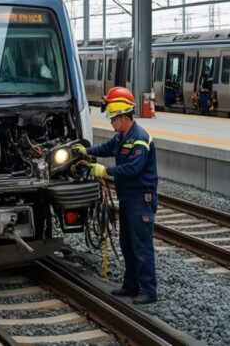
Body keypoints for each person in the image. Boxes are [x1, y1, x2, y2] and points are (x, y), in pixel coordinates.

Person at [74, 86, 159, 305]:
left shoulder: (140, 139)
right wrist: (87, 152)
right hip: (129, 199)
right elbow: (107, 148)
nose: (111, 122)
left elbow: (133, 169)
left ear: (123, 117)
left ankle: (149, 290)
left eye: (113, 119)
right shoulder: (122, 136)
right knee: (127, 243)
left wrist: (105, 171)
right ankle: (131, 285)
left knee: (141, 246)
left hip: (141, 199)